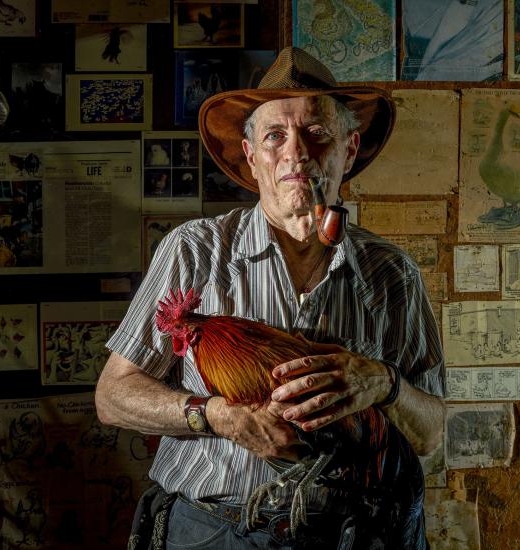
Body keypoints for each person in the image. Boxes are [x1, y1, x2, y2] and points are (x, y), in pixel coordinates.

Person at [95, 47, 445, 549]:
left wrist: (386, 384)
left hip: (352, 532)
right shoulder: (194, 251)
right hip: (213, 528)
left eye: (316, 133)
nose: (296, 152)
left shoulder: (392, 274)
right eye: (275, 135)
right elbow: (111, 397)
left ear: (349, 149)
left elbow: (430, 435)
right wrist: (219, 415)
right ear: (251, 156)